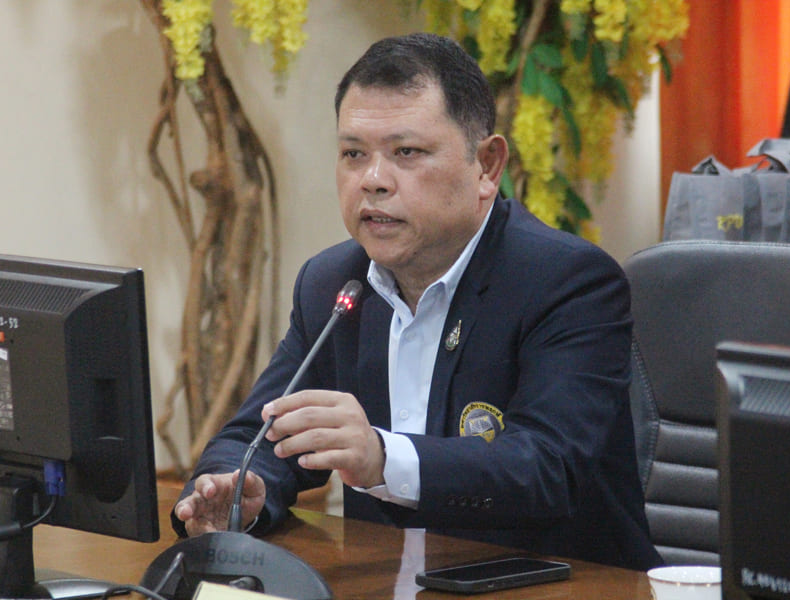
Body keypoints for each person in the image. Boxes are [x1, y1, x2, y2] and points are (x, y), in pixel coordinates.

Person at [172, 32, 662, 571]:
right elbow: (259, 433)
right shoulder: (334, 283)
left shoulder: (567, 281)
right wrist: (240, 488)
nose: (373, 181)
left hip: (558, 584)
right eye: (353, 154)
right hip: (386, 579)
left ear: (487, 166)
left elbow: (548, 467)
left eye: (406, 153)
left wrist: (383, 458)